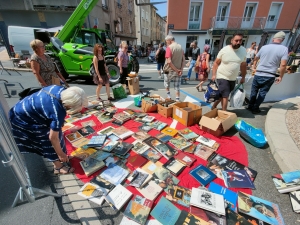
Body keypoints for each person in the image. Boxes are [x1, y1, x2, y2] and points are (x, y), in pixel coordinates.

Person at [9, 85, 88, 174]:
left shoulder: (60, 89)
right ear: (68, 104)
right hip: (23, 118)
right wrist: (60, 154)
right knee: (46, 139)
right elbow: (53, 138)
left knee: (57, 134)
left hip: (26, 108)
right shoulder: (57, 111)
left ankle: (60, 157)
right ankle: (58, 167)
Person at [247, 31, 288, 114]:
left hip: (259, 73)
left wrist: (254, 66)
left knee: (254, 91)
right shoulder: (284, 49)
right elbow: (283, 65)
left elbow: (256, 58)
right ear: (282, 40)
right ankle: (255, 108)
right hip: (270, 74)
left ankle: (250, 106)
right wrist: (281, 76)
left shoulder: (264, 47)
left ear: (273, 39)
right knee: (263, 92)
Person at [212, 33, 247, 111]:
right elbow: (216, 63)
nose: (238, 42)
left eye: (240, 41)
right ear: (232, 40)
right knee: (225, 96)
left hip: (233, 78)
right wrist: (214, 74)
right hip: (222, 76)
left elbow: (243, 65)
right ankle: (224, 113)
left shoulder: (243, 51)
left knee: (222, 95)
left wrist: (243, 76)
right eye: (236, 40)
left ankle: (214, 106)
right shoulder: (225, 50)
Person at [164, 35, 185, 102]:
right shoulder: (180, 47)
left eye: (166, 41)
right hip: (178, 70)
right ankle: (177, 100)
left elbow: (169, 61)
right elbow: (183, 60)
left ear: (169, 40)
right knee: (177, 86)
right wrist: (180, 70)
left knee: (167, 83)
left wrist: (176, 70)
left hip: (168, 70)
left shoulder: (169, 48)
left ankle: (169, 96)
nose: (166, 43)